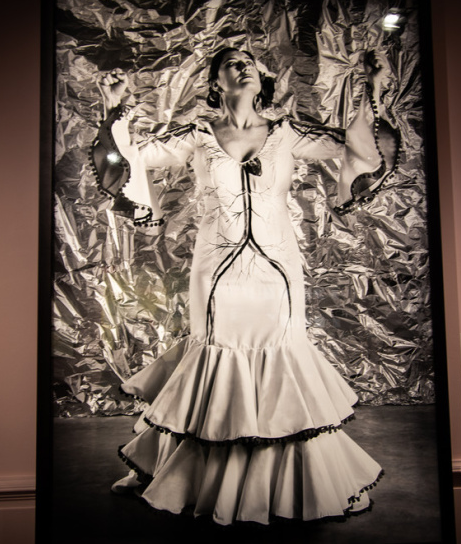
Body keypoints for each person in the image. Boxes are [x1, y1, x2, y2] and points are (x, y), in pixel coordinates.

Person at [91, 46, 398, 525]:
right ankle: (165, 469)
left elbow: (354, 146)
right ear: (216, 82)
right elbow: (132, 155)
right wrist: (116, 110)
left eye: (251, 62)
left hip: (277, 272)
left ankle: (315, 483)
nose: (244, 66)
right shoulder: (196, 134)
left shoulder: (287, 131)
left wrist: (373, 92)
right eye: (233, 63)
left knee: (282, 358)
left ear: (261, 78)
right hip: (216, 274)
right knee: (212, 359)